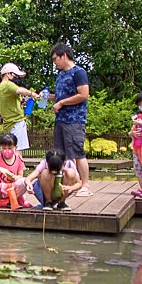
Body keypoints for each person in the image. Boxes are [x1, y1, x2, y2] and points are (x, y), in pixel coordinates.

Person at [51, 43, 92, 195]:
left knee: (77, 152)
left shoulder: (78, 72)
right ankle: (69, 184)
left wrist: (61, 103)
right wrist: (46, 98)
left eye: (56, 59)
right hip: (60, 120)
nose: (55, 62)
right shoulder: (61, 74)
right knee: (60, 153)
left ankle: (85, 185)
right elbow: (61, 96)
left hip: (74, 120)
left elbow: (83, 94)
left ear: (64, 56)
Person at [0, 62, 40, 152]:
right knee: (18, 154)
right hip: (17, 123)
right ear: (8, 74)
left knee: (9, 154)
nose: (16, 78)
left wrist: (21, 103)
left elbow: (6, 105)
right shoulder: (7, 84)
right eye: (15, 75)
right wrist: (32, 94)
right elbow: (20, 90)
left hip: (7, 125)